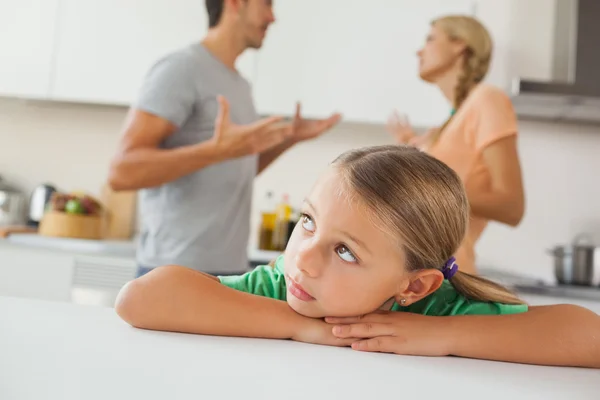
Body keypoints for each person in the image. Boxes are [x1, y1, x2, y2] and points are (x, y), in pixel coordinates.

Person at [115, 145, 600, 369]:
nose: (304, 258)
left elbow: (589, 336)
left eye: (344, 250)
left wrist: (444, 334)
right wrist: (301, 325)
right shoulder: (284, 290)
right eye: (308, 222)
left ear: (413, 287)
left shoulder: (437, 311)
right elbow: (141, 299)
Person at [108, 0, 341, 277]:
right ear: (235, 4)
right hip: (174, 271)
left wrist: (289, 140)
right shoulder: (181, 69)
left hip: (228, 270)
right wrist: (216, 151)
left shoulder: (239, 85)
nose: (272, 17)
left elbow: (234, 167)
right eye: (266, 4)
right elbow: (122, 172)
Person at [387, 15, 525, 275]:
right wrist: (410, 148)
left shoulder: (487, 99)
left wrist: (423, 191)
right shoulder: (451, 120)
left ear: (460, 44)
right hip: (420, 272)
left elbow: (512, 205)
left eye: (430, 39)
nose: (419, 50)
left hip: (449, 276)